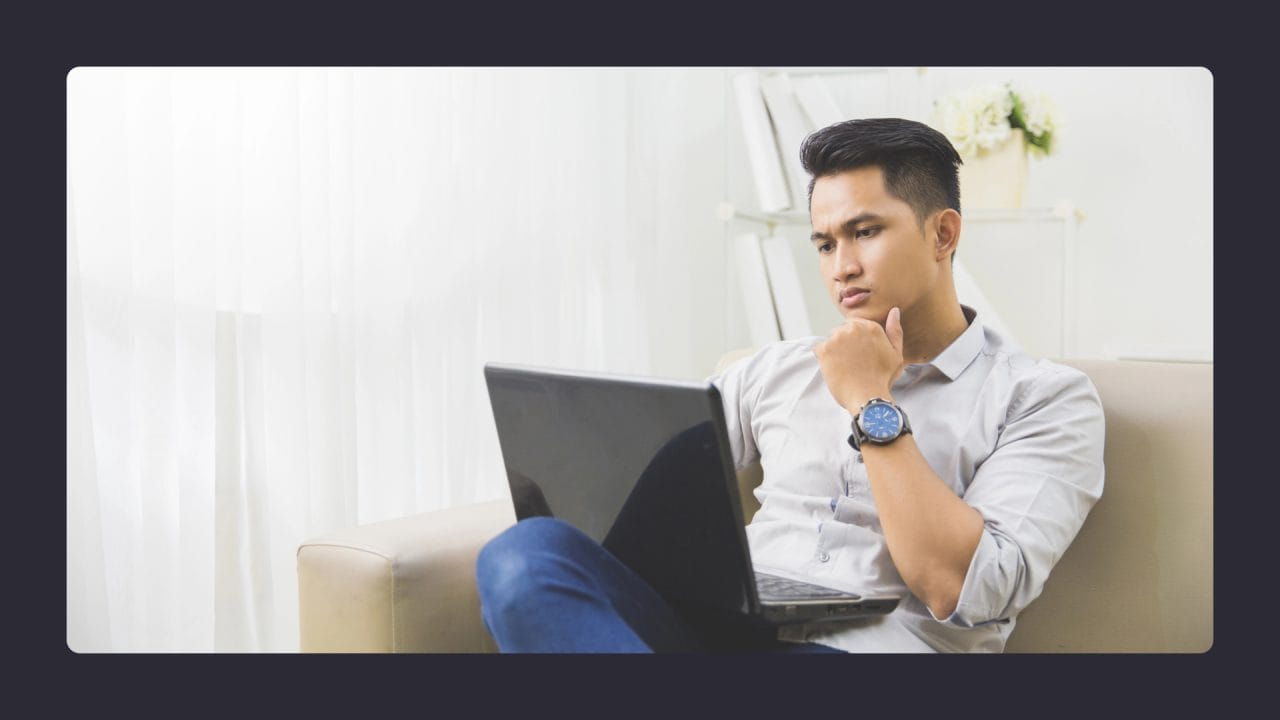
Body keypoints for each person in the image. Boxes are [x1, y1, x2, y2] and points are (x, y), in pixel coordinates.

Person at [475, 117, 1105, 653]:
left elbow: (956, 584)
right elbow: (654, 513)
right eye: (825, 244)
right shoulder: (775, 370)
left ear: (942, 234)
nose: (842, 268)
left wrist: (870, 401)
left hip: (866, 658)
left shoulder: (1042, 398)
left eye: (865, 232)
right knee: (525, 556)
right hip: (723, 631)